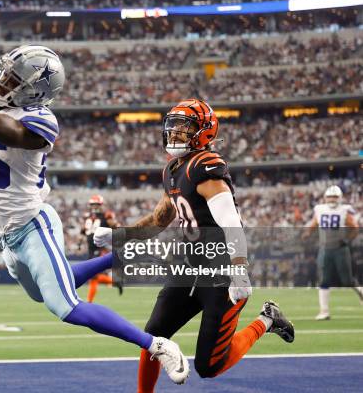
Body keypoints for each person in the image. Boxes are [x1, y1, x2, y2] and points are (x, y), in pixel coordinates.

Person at [0, 6, 190, 385]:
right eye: (5, 73)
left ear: (33, 92)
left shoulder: (40, 123)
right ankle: (119, 255)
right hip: (8, 234)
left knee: (64, 305)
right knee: (47, 290)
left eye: (12, 80)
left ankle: (156, 345)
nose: (2, 81)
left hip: (33, 224)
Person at [94, 98, 295, 391]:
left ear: (204, 132)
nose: (174, 134)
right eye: (172, 127)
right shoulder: (173, 170)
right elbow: (159, 219)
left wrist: (239, 267)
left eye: (183, 128)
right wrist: (119, 236)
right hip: (188, 268)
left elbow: (230, 220)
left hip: (220, 274)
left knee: (208, 366)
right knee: (154, 337)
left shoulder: (205, 166)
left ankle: (267, 320)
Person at [304, 185, 362, 320]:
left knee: (347, 281)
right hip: (324, 249)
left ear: (340, 198)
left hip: (340, 249)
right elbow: (314, 222)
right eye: (330, 196)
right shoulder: (319, 209)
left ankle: (360, 291)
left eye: (335, 196)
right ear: (325, 198)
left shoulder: (344, 210)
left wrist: (347, 241)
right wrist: (308, 232)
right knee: (323, 280)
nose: (332, 199)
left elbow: (355, 227)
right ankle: (324, 311)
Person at [81, 195, 121, 302]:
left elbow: (117, 227)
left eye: (96, 204)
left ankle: (89, 302)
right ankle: (114, 282)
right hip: (91, 249)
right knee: (93, 276)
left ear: (100, 205)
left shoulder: (105, 216)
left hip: (99, 249)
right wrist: (80, 243)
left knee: (92, 275)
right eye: (92, 204)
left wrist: (113, 223)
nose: (94, 206)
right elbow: (84, 232)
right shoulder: (88, 217)